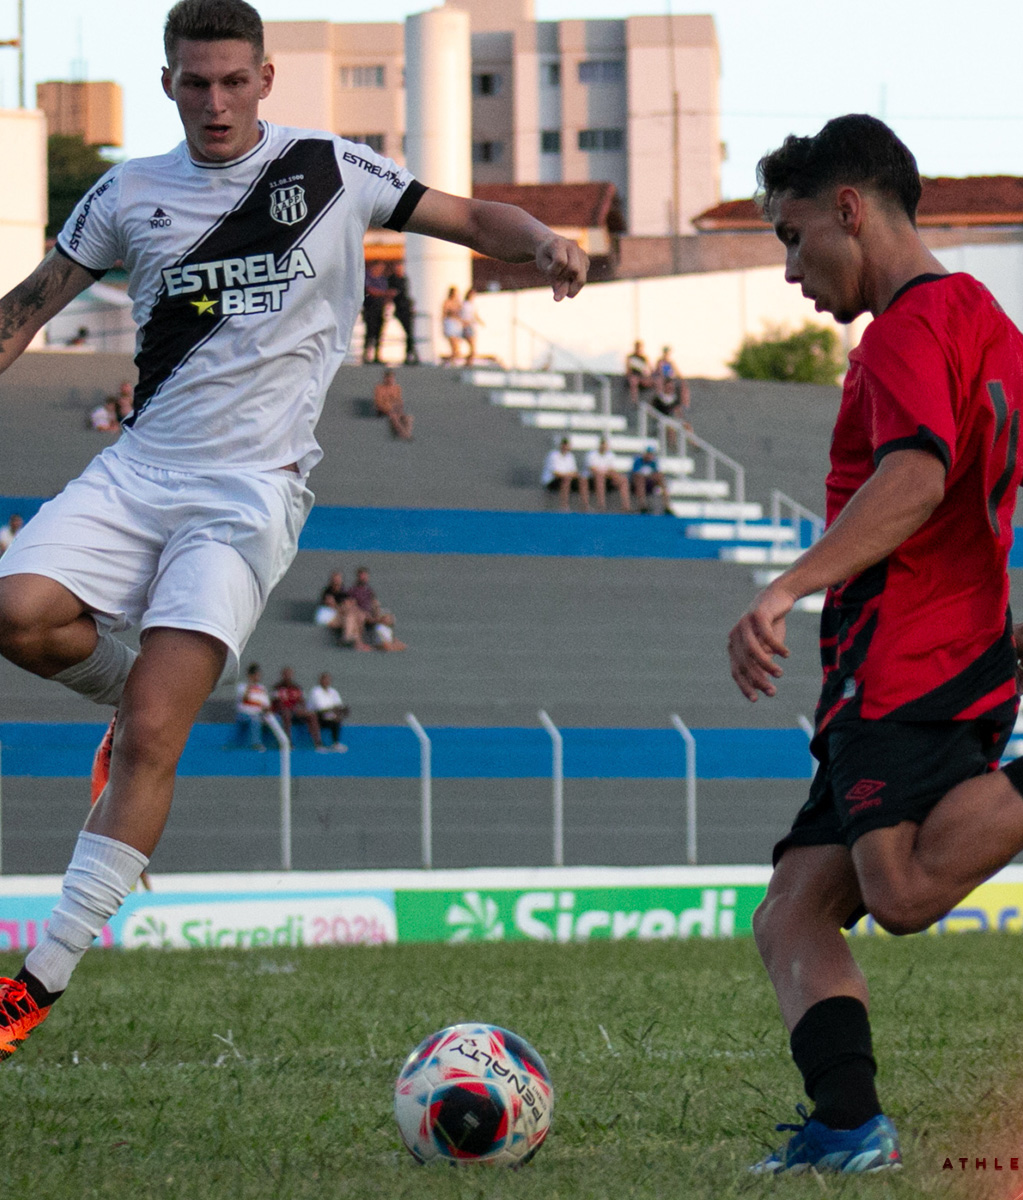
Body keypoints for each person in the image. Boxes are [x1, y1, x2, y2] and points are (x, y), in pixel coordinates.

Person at [0, 0, 587, 1061]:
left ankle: (35, 985)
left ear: (265, 79)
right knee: (17, 613)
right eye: (195, 82)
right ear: (169, 81)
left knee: (153, 736)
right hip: (140, 468)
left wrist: (540, 240)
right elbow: (31, 304)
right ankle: (131, 691)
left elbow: (463, 215)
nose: (216, 102)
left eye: (234, 81)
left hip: (248, 491)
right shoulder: (128, 191)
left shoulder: (327, 171)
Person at [726, 114, 1023, 1177]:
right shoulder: (989, 328)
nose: (794, 270)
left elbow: (917, 476)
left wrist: (788, 587)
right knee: (793, 910)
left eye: (795, 239)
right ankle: (848, 1129)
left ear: (850, 208)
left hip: (898, 664)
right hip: (960, 663)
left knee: (894, 891)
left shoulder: (899, 335)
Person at [349, 565, 405, 651]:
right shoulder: (353, 590)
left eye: (365, 575)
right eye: (362, 575)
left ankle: (392, 639)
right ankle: (360, 643)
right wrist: (365, 614)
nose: (364, 577)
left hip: (371, 613)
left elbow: (374, 603)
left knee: (388, 618)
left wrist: (377, 612)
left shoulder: (369, 590)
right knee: (361, 617)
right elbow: (352, 605)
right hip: (361, 614)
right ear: (358, 577)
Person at [271, 665, 323, 749]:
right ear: (282, 675)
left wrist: (300, 708)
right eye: (286, 674)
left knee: (312, 715)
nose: (288, 676)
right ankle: (288, 742)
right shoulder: (277, 687)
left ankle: (318, 742)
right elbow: (276, 703)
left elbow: (302, 702)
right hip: (283, 711)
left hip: (295, 711)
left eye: (289, 674)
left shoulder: (296, 687)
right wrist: (287, 708)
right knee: (286, 714)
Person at [229, 662, 270, 750]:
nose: (258, 676)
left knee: (276, 719)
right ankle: (256, 744)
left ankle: (277, 745)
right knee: (255, 719)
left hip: (259, 714)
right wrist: (250, 685)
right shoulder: (242, 686)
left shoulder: (262, 688)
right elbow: (245, 698)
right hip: (244, 714)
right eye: (256, 674)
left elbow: (266, 705)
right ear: (251, 675)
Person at [541, 436, 587, 512]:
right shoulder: (553, 455)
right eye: (563, 444)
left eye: (566, 445)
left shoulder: (570, 456)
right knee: (566, 480)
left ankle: (584, 506)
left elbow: (574, 472)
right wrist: (568, 475)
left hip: (565, 478)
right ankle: (564, 506)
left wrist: (571, 475)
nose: (565, 447)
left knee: (582, 480)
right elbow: (556, 473)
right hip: (551, 481)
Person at [585, 435, 630, 512]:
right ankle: (601, 505)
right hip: (593, 478)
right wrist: (604, 472)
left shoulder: (610, 455)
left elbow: (611, 470)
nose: (603, 446)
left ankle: (626, 506)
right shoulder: (592, 454)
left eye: (604, 444)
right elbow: (592, 469)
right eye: (602, 444)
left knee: (623, 479)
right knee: (600, 477)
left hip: (607, 477)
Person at [307, 671, 348, 751]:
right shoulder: (315, 691)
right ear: (320, 680)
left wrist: (337, 710)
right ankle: (319, 744)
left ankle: (335, 743)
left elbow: (339, 705)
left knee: (337, 717)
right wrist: (334, 709)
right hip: (317, 715)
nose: (326, 681)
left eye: (328, 680)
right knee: (333, 716)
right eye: (324, 679)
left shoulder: (333, 691)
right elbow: (320, 708)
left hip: (330, 714)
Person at [361, 259, 391, 365]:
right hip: (370, 308)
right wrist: (384, 294)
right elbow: (370, 290)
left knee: (379, 333)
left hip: (380, 308)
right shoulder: (368, 277)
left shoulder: (382, 279)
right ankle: (366, 355)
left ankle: (377, 355)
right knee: (370, 332)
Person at [387, 262, 417, 365]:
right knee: (408, 332)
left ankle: (411, 354)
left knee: (410, 332)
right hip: (400, 308)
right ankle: (411, 354)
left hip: (406, 308)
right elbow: (392, 294)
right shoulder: (392, 279)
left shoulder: (404, 279)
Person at [372, 368, 413, 440]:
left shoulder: (397, 388)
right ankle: (404, 434)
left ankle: (407, 433)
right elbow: (378, 403)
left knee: (408, 418)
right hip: (383, 410)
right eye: (388, 378)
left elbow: (399, 400)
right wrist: (389, 408)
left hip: (395, 409)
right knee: (394, 417)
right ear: (385, 378)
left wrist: (398, 409)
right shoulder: (379, 388)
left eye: (391, 378)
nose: (390, 380)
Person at [629, 443, 666, 512]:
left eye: (651, 454)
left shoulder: (654, 462)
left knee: (661, 479)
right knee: (640, 480)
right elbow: (636, 474)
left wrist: (650, 476)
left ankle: (666, 505)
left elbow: (657, 473)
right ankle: (642, 505)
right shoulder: (638, 461)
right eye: (648, 453)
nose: (649, 456)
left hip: (650, 482)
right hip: (638, 483)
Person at [459, 287, 483, 365]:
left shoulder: (472, 305)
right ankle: (468, 363)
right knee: (472, 347)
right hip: (467, 326)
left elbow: (475, 314)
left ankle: (469, 363)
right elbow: (461, 315)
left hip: (472, 326)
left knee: (473, 348)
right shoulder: (464, 304)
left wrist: (480, 322)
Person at [625, 339, 652, 406]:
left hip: (641, 376)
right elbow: (628, 369)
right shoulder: (631, 357)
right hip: (634, 375)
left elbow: (648, 368)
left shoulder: (644, 358)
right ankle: (634, 401)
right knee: (634, 381)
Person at [441, 286, 463, 365]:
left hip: (456, 324)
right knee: (454, 345)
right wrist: (443, 325)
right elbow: (444, 314)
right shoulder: (447, 302)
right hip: (450, 323)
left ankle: (452, 361)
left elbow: (461, 314)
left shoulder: (458, 303)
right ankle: (451, 362)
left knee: (457, 348)